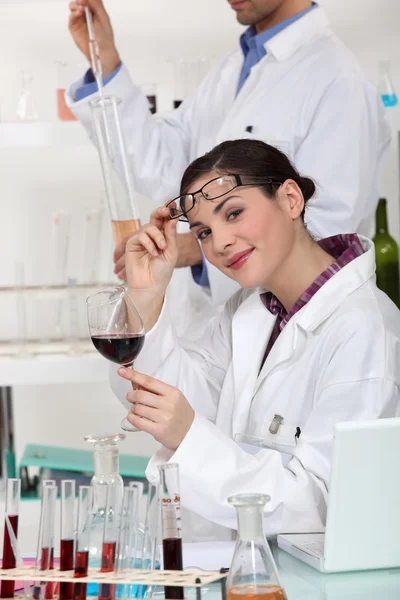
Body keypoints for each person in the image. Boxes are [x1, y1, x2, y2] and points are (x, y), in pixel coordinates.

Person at [110, 139, 400, 540]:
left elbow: (322, 503)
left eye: (234, 213)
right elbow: (159, 396)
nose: (220, 243)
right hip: (238, 572)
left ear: (290, 198)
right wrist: (146, 292)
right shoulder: (249, 311)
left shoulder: (365, 328)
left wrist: (189, 437)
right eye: (203, 232)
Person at [66, 0, 390, 326]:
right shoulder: (234, 68)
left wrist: (197, 247)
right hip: (214, 335)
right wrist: (105, 62)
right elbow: (163, 163)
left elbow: (326, 229)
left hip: (293, 331)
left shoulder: (339, 80)